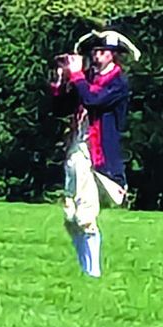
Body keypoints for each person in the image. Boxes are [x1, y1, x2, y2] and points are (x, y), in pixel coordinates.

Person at [50, 30, 137, 278]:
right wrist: (60, 80)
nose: (97, 56)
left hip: (97, 154)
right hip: (77, 148)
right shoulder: (85, 78)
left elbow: (93, 100)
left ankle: (93, 272)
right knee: (70, 215)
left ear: (113, 56)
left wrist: (76, 76)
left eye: (102, 52)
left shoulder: (118, 82)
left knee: (86, 214)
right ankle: (84, 269)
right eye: (95, 52)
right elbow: (61, 108)